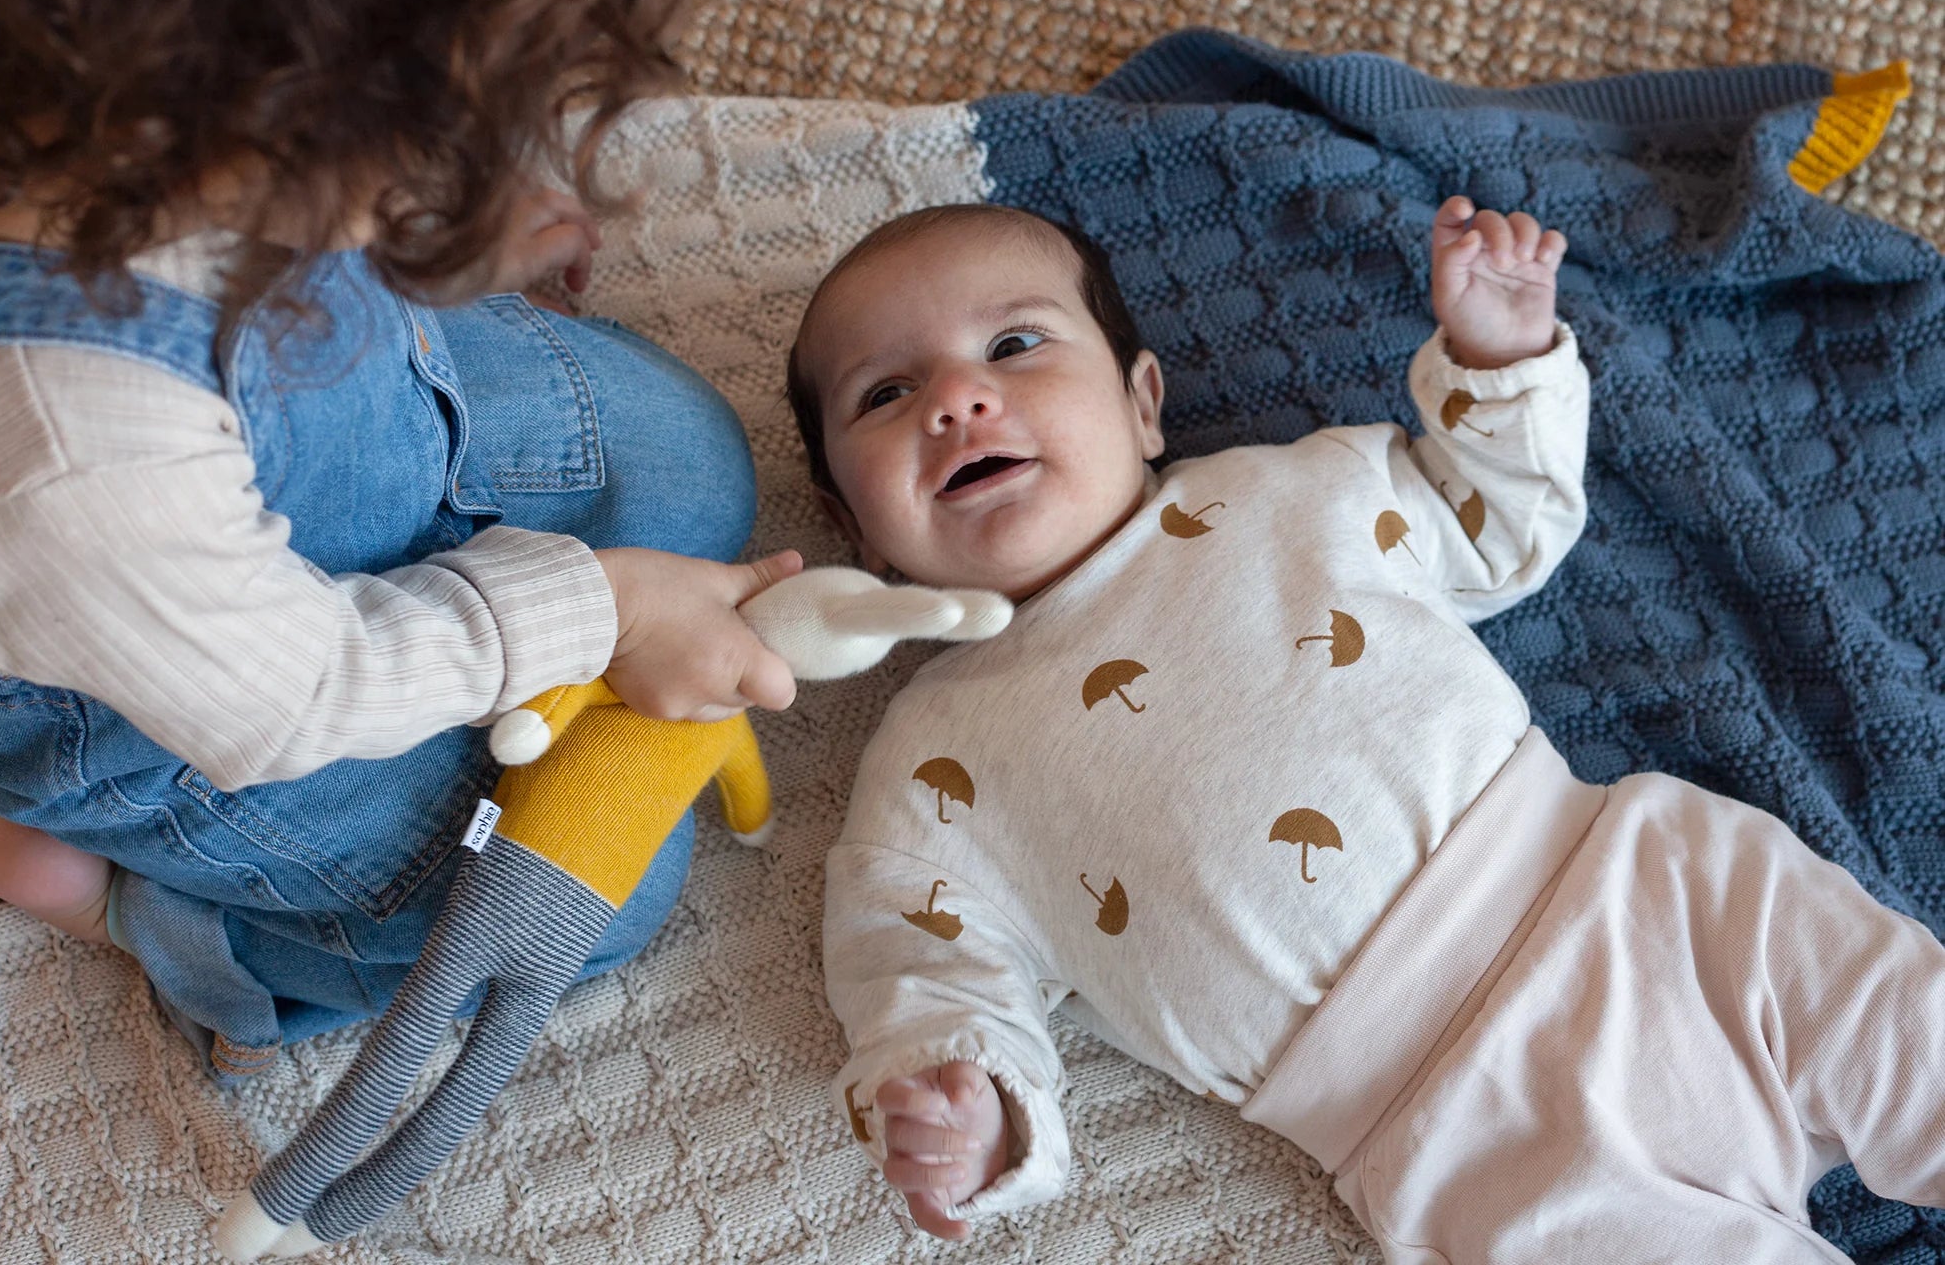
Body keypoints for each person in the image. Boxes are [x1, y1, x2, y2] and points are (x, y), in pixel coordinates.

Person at [787, 198, 1945, 1261]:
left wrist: (1499, 362)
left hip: (1646, 892)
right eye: (885, 395)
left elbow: (1497, 519)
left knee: (1900, 1029)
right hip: (1455, 1127)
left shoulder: (1299, 489)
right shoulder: (930, 763)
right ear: (853, 526)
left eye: (1013, 345)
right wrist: (968, 1102)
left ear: (1142, 404)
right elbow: (921, 968)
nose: (956, 400)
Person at [0, 0, 800, 1082]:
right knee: (580, 903)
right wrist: (601, 608)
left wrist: (444, 223)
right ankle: (176, 933)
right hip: (177, 700)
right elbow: (302, 696)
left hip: (322, 457)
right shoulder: (53, 447)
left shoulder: (92, 33)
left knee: (690, 458)